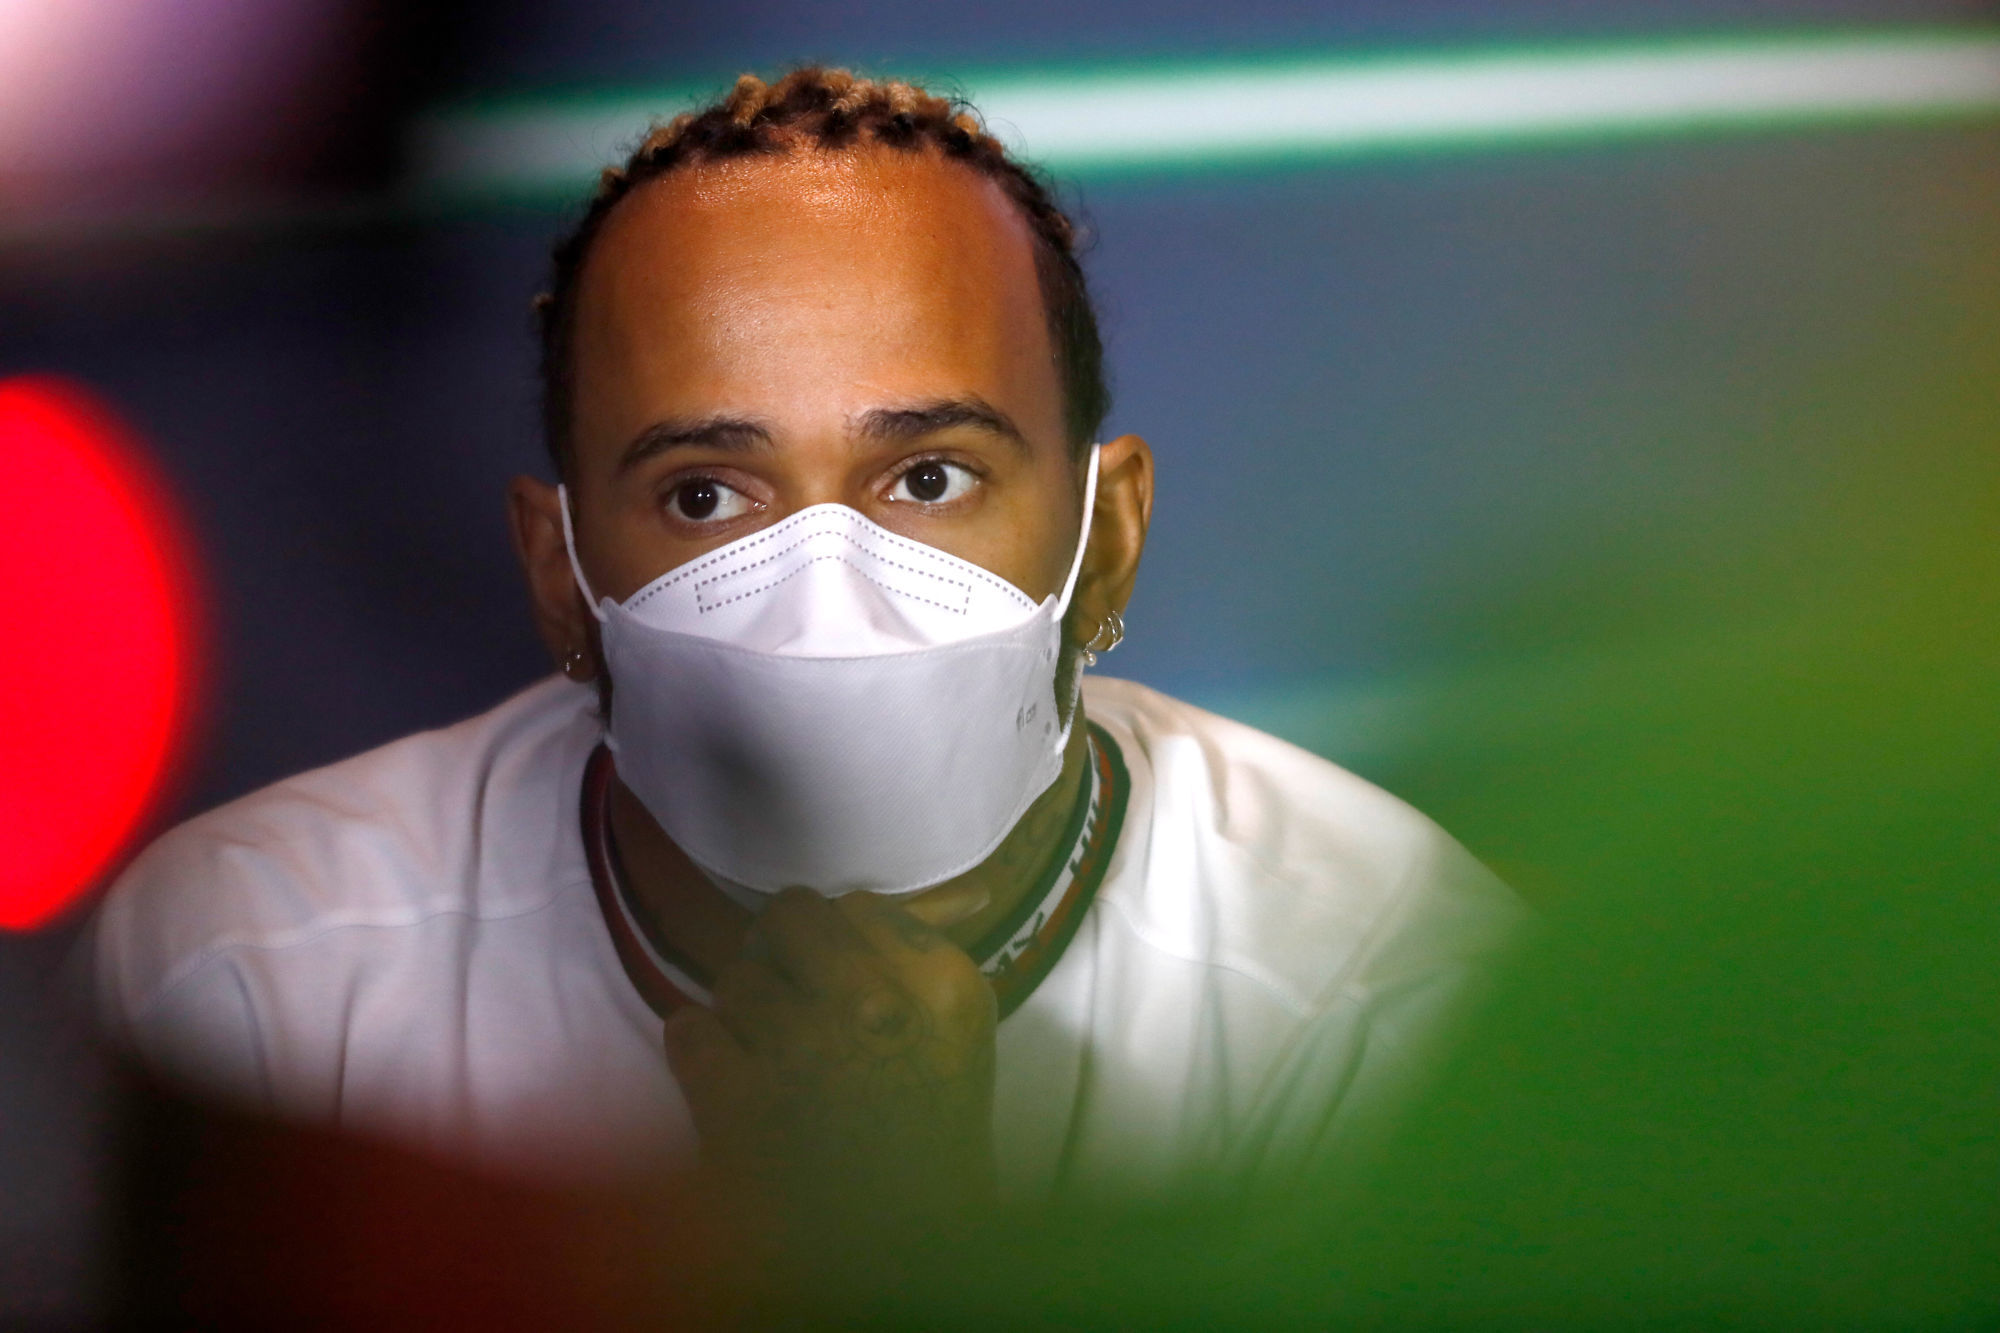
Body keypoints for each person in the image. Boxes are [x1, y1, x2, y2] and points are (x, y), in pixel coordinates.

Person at [91, 69, 1522, 1210]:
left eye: (930, 478)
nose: (827, 598)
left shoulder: (1393, 1003)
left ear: (1109, 541)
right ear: (559, 575)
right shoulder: (256, 980)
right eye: (707, 496)